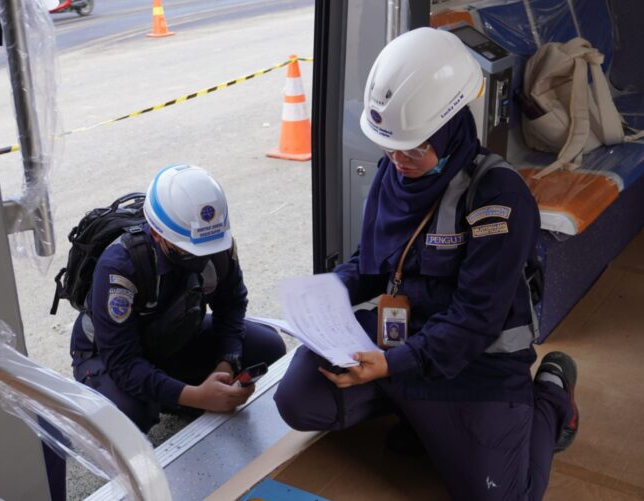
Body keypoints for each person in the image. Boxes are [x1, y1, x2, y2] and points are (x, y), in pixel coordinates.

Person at [274, 28, 579, 500]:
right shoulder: (392, 174)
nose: (398, 159)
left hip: (474, 361)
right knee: (299, 399)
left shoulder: (497, 198)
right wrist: (322, 298)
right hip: (401, 339)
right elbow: (371, 266)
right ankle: (421, 415)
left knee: (503, 496)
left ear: (449, 125)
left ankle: (554, 393)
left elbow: (476, 321)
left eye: (414, 146)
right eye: (389, 146)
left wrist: (391, 365)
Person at [71, 164, 286, 432]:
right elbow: (123, 362)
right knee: (129, 416)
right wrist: (198, 396)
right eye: (188, 251)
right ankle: (169, 397)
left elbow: (231, 305)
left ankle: (173, 392)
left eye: (208, 249)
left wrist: (227, 362)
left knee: (269, 347)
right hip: (107, 355)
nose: (200, 257)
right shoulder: (121, 265)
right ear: (158, 235)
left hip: (173, 335)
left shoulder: (216, 242)